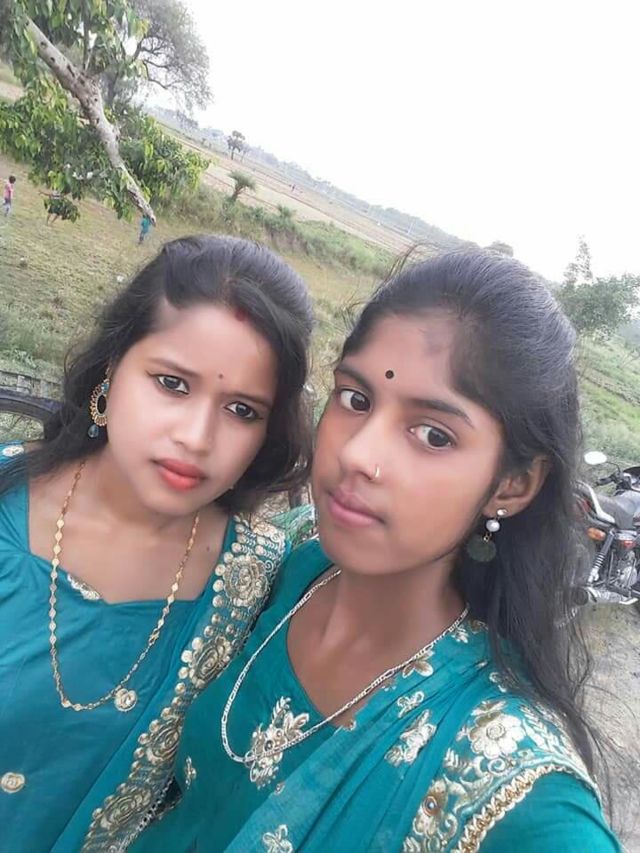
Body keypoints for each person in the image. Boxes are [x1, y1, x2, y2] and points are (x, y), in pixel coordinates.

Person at [131, 249, 620, 852]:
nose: (358, 453)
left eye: (433, 434)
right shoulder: (292, 555)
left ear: (512, 486)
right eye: (356, 399)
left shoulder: (516, 789)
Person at [0, 235, 314, 851]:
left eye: (242, 410)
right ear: (112, 367)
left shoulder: (254, 586)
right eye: (172, 383)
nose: (197, 436)